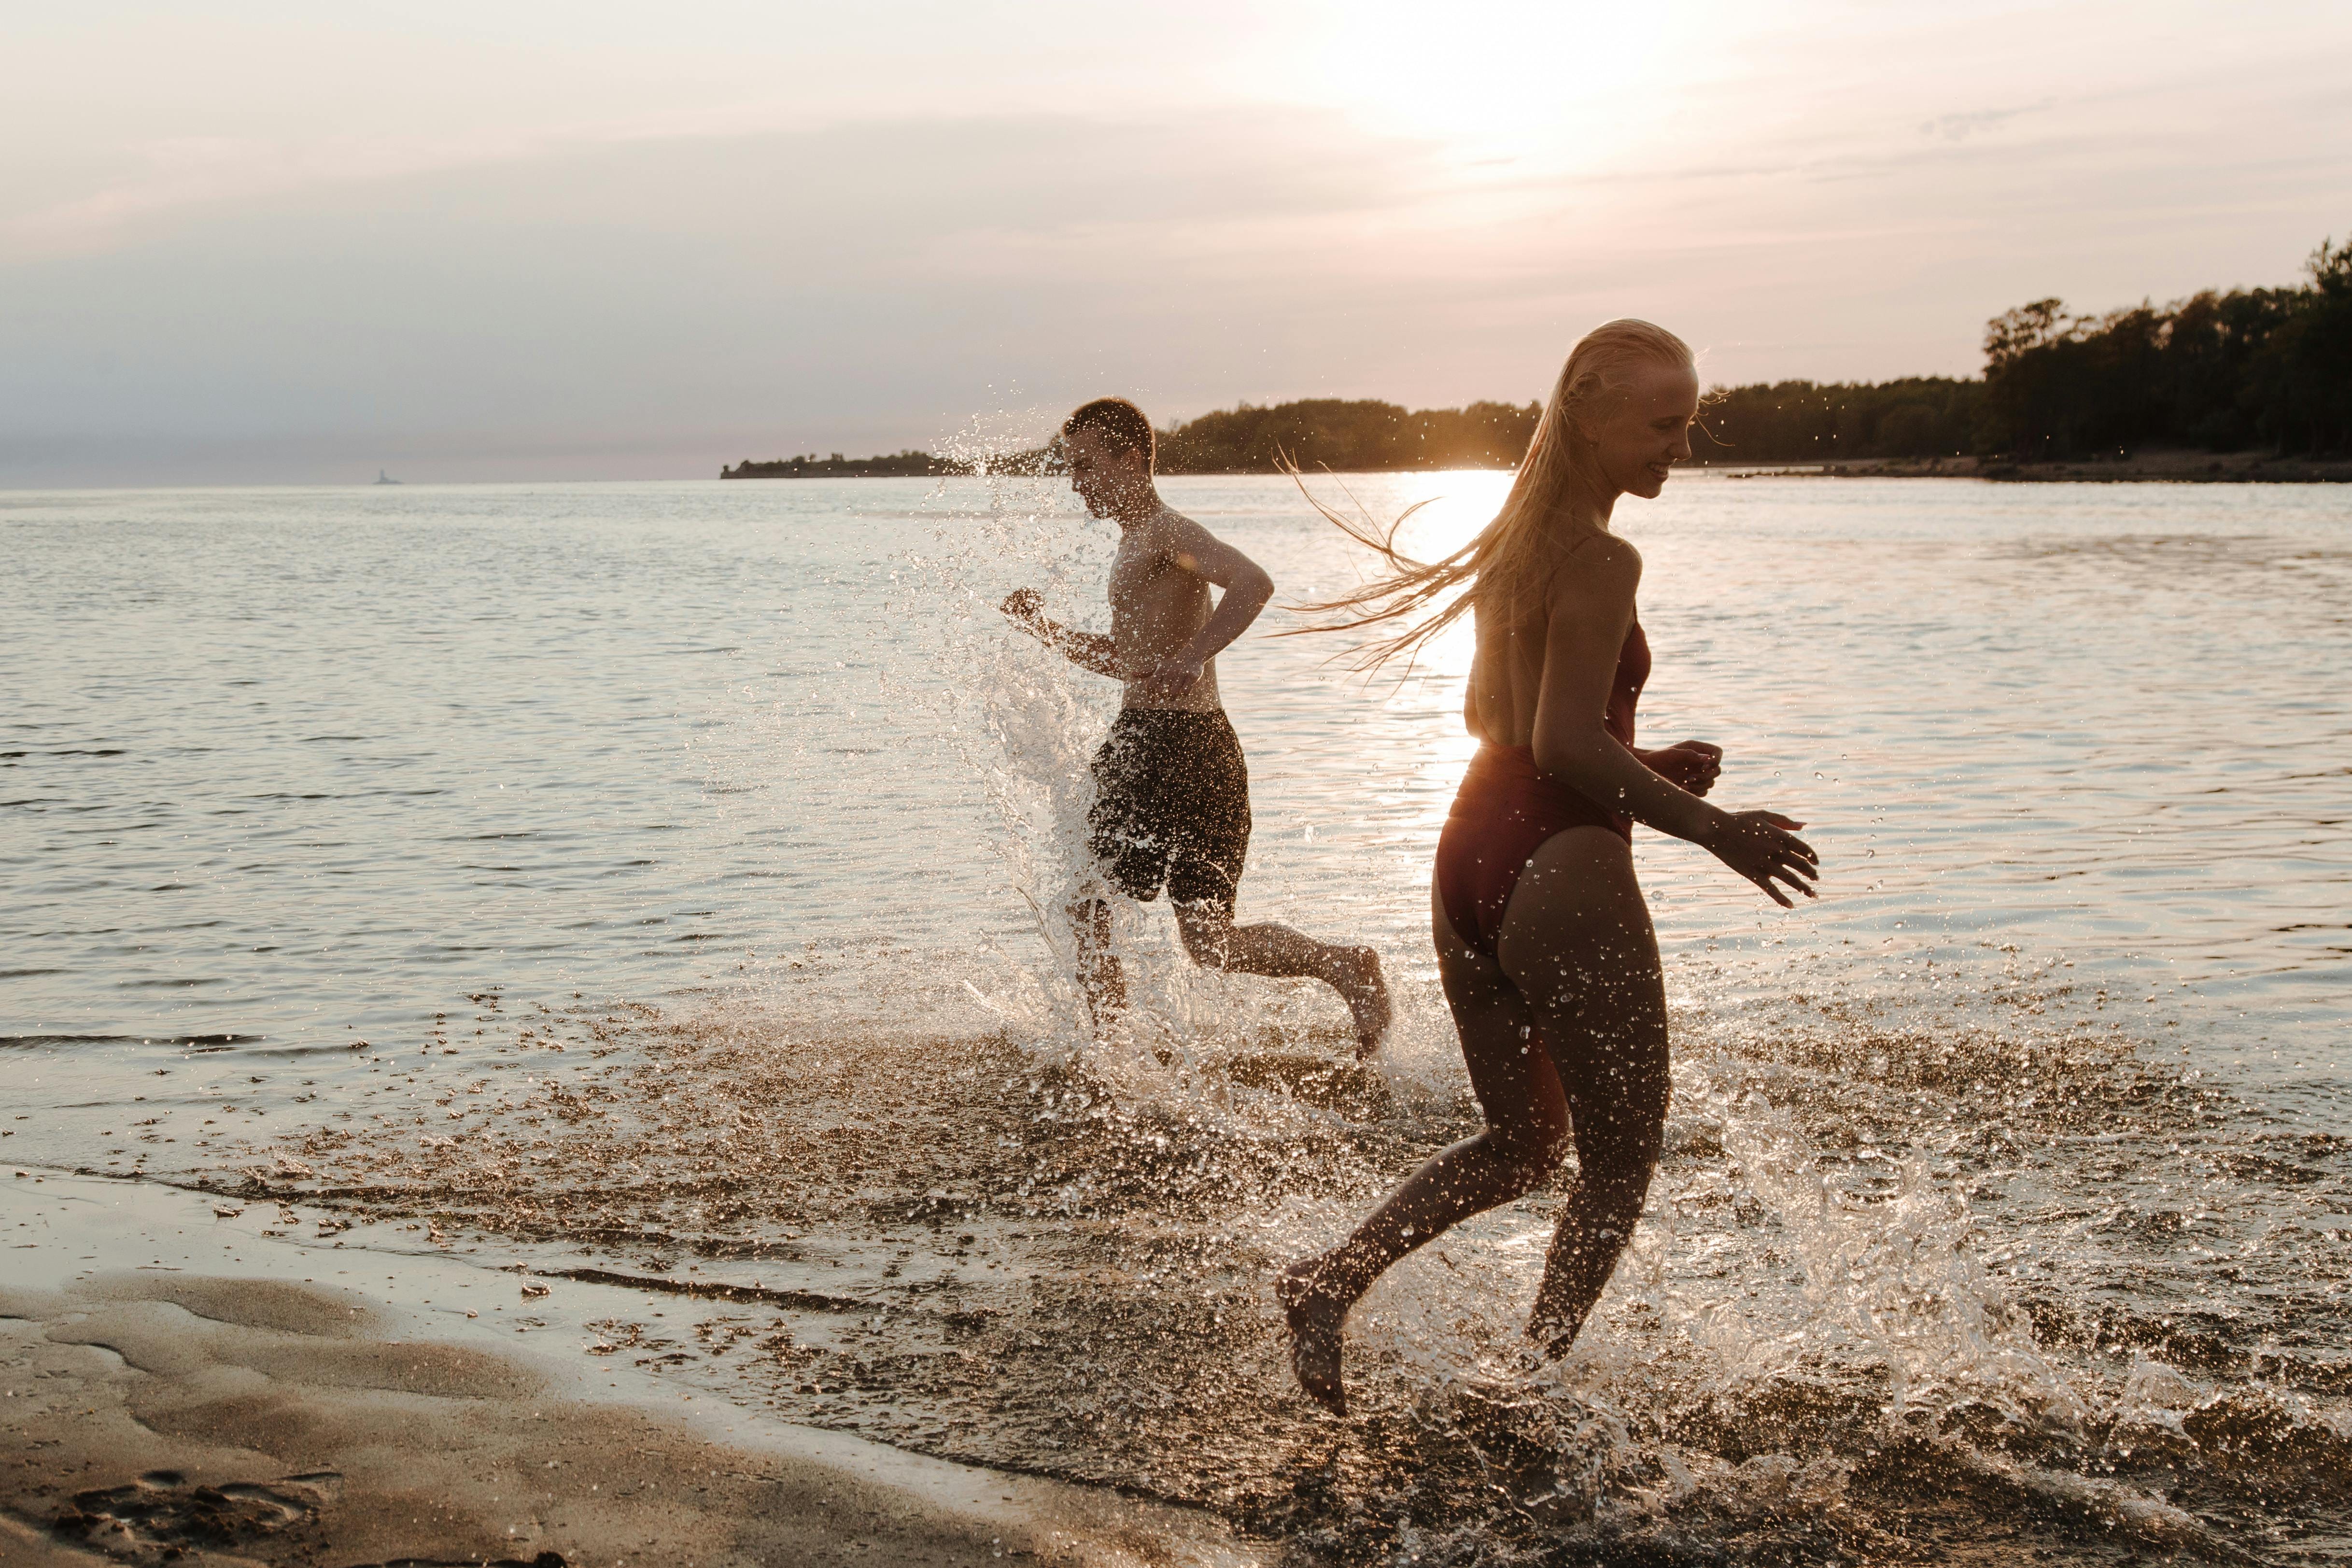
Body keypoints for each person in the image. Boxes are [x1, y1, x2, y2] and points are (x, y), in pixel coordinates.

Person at [1272, 321, 1819, 1413]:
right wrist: (1721, 834)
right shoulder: (1607, 555)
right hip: (1562, 864)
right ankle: (1524, 1388)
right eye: (1663, 423)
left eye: (1690, 421)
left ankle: (1328, 1281)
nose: (1681, 444)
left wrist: (1642, 758)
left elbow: (1500, 718)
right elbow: (1566, 746)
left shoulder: (1514, 538)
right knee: (1616, 1166)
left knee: (1523, 1148)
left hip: (1470, 848)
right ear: (1591, 412)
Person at [1000, 397, 1393, 1053]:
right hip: (1199, 747)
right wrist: (1046, 631)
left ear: (1131, 460)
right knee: (1211, 943)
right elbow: (1131, 662)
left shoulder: (1165, 534)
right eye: (1071, 468)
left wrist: (1192, 656)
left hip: (1162, 748)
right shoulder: (1138, 544)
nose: (1077, 482)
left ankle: (1110, 1052)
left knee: (1086, 906)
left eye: (1087, 465)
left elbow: (1253, 582)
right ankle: (1343, 965)